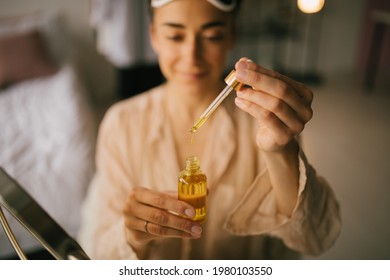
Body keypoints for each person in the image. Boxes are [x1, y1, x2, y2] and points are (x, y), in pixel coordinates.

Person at [78, 0, 341, 259]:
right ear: (154, 36)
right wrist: (132, 236)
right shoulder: (122, 123)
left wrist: (281, 152)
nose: (192, 56)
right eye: (175, 35)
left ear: (231, 36)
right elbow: (100, 251)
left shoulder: (264, 121)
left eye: (212, 36)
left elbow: (313, 239)